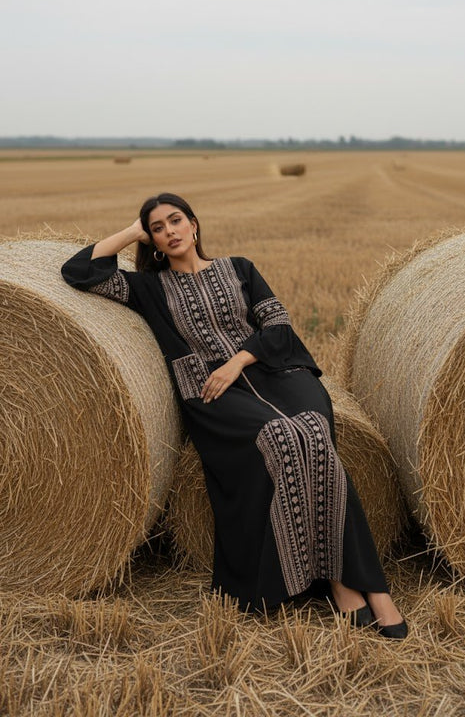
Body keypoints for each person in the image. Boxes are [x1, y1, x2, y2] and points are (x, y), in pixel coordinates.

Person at [61, 192, 407, 640]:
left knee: (314, 433)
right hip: (213, 394)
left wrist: (237, 361)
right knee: (282, 436)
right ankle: (346, 584)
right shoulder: (147, 288)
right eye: (159, 227)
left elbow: (277, 325)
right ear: (154, 239)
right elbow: (79, 272)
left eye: (176, 220)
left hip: (274, 373)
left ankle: (359, 584)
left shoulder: (240, 268)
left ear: (195, 224)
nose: (170, 231)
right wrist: (131, 233)